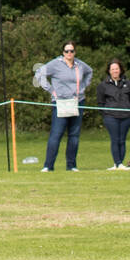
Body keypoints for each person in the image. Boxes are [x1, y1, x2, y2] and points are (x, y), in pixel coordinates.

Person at [37, 42, 93, 172]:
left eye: (72, 51)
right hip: (61, 103)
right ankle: (48, 166)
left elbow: (90, 72)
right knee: (56, 134)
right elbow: (39, 74)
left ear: (75, 52)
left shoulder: (80, 65)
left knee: (74, 135)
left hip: (77, 102)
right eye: (67, 51)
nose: (69, 53)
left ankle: (72, 165)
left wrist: (83, 88)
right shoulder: (55, 64)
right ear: (63, 52)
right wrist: (51, 90)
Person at [96, 57, 130, 170]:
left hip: (125, 117)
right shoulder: (103, 85)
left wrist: (129, 111)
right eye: (112, 69)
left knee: (122, 140)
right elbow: (100, 102)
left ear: (120, 70)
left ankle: (120, 163)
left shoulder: (127, 83)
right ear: (109, 71)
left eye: (116, 69)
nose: (115, 71)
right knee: (115, 139)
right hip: (110, 117)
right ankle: (117, 163)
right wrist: (105, 114)